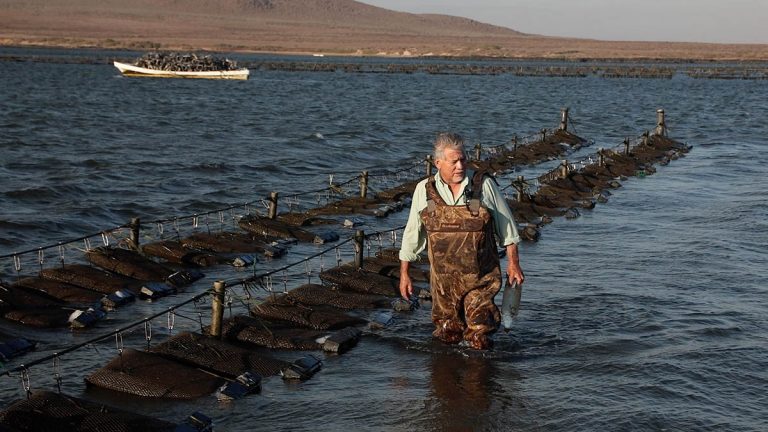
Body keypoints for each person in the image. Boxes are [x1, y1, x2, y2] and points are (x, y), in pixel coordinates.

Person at [399, 132, 525, 350]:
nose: (460, 166)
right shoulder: (424, 190)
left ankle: (481, 378)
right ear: (438, 163)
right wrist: (404, 274)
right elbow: (412, 235)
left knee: (479, 335)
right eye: (453, 161)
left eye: (463, 159)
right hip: (442, 285)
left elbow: (508, 230)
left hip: (481, 280)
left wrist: (513, 264)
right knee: (447, 336)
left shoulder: (482, 186)